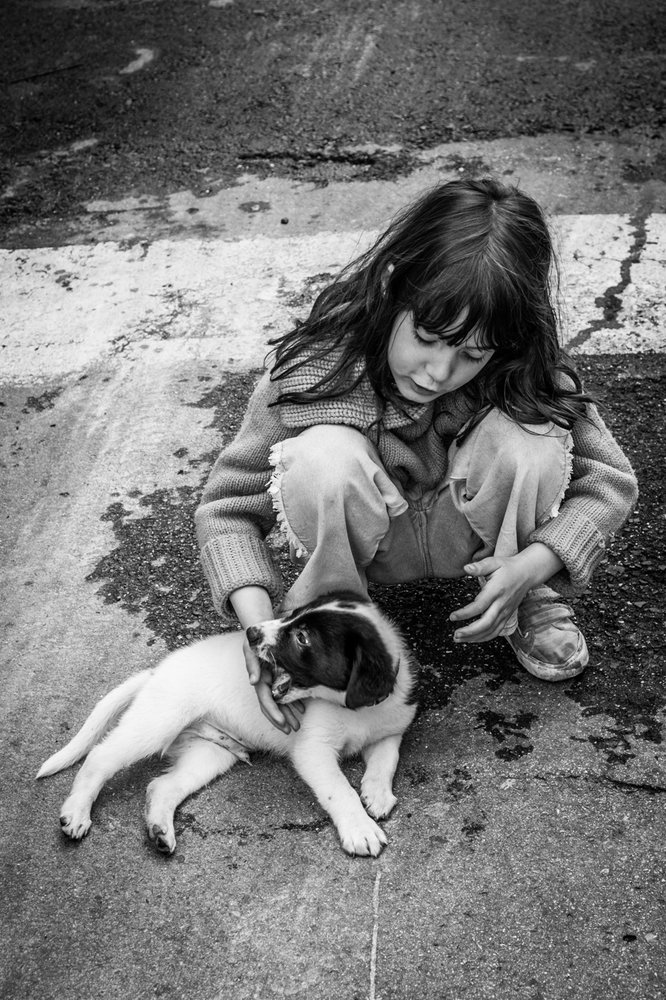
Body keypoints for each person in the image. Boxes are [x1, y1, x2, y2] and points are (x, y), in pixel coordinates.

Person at [195, 177, 638, 734]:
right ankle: (335, 615)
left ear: (508, 337)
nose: (438, 372)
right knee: (321, 458)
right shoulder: (318, 363)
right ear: (390, 288)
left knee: (532, 441)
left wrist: (537, 562)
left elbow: (610, 481)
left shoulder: (525, 364)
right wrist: (260, 634)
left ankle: (517, 595)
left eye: (472, 353)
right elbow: (227, 508)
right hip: (378, 545)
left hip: (480, 540)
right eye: (427, 337)